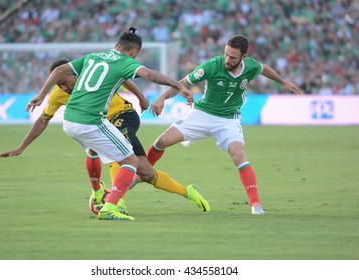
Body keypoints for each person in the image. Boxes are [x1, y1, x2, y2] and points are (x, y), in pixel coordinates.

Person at [25, 27, 194, 221]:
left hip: (71, 121)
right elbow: (149, 75)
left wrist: (40, 95)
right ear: (134, 53)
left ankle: (99, 193)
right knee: (130, 162)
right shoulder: (125, 62)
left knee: (106, 156)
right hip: (93, 120)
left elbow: (59, 70)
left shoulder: (92, 57)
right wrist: (178, 85)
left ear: (115, 46)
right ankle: (112, 205)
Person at [147, 34, 303, 215]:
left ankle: (255, 204)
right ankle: (141, 173)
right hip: (202, 114)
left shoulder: (250, 66)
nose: (227, 60)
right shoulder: (212, 66)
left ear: (243, 57)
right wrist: (162, 97)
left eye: (233, 57)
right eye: (226, 54)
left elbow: (264, 69)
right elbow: (182, 83)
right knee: (162, 141)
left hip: (228, 119)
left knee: (238, 154)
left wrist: (283, 82)